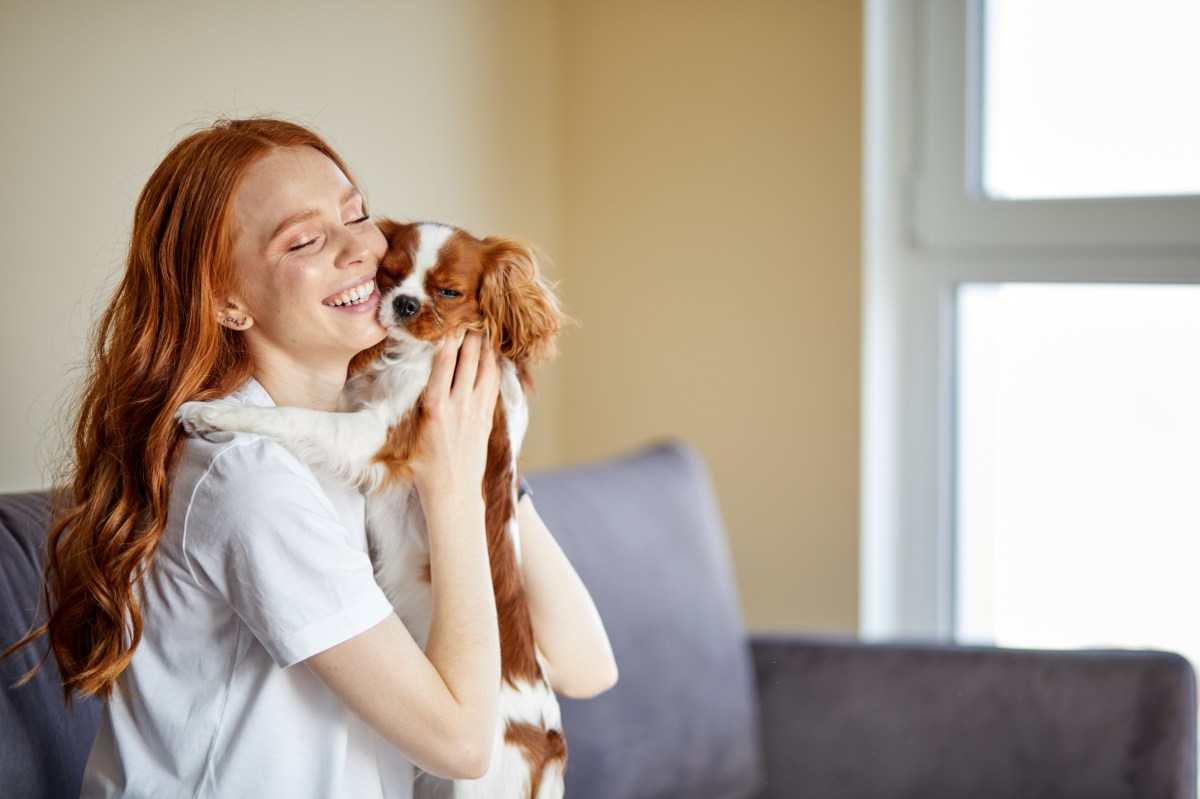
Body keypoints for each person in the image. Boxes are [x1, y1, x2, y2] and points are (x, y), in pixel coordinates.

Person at [10, 117, 616, 798]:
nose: (361, 248)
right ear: (229, 303)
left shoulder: (364, 440)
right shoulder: (247, 477)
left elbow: (585, 666)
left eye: (356, 213)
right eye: (305, 239)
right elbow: (464, 745)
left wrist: (482, 460)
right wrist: (451, 493)